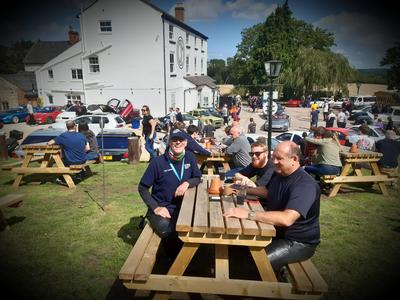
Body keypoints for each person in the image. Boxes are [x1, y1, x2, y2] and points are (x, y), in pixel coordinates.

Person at [224, 141, 321, 273]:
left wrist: (247, 214)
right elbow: (267, 191)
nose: (274, 162)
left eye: (279, 158)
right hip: (274, 231)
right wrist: (238, 188)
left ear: (294, 159)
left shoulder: (305, 185)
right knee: (237, 246)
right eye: (273, 157)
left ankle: (259, 287)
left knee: (255, 263)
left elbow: (287, 219)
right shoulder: (279, 173)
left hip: (296, 242)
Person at [138, 130, 201, 259]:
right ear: (170, 142)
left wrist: (186, 184)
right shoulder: (158, 162)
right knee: (170, 231)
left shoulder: (190, 157)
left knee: (198, 224)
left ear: (186, 142)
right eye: (174, 140)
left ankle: (189, 257)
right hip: (162, 208)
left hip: (184, 207)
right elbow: (142, 188)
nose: (178, 142)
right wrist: (156, 208)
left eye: (181, 140)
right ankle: (175, 264)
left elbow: (198, 177)